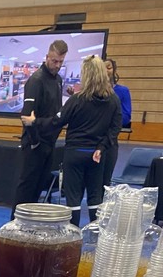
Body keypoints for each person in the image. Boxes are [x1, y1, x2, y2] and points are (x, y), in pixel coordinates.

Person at [24, 54, 121, 228]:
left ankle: (73, 235)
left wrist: (34, 122)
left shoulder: (77, 100)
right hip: (96, 155)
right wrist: (102, 147)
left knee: (73, 198)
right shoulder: (113, 100)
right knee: (95, 197)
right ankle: (95, 235)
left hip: (75, 153)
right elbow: (115, 129)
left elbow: (56, 121)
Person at [11, 40, 68, 212]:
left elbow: (56, 111)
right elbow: (27, 117)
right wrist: (35, 141)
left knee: (39, 187)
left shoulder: (58, 79)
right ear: (47, 57)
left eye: (60, 62)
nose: (57, 65)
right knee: (27, 187)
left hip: (50, 142)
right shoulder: (36, 80)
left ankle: (29, 223)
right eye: (54, 61)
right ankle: (16, 223)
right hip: (34, 143)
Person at [102, 58, 132, 188]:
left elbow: (126, 116)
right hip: (91, 140)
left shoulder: (123, 91)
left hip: (110, 141)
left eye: (109, 67)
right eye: (103, 68)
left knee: (105, 181)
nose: (106, 71)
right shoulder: (93, 91)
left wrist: (109, 118)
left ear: (114, 70)